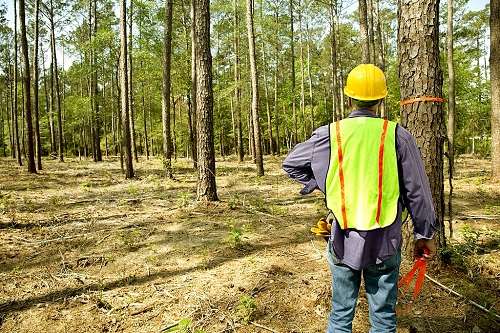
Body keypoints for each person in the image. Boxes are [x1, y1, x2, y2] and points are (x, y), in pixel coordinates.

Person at [282, 64, 437, 333]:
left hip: (342, 238)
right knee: (383, 318)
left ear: (349, 96)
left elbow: (291, 163)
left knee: (341, 315)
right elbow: (417, 192)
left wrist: (326, 188)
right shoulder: (397, 136)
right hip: (385, 242)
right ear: (381, 98)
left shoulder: (331, 135)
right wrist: (425, 233)